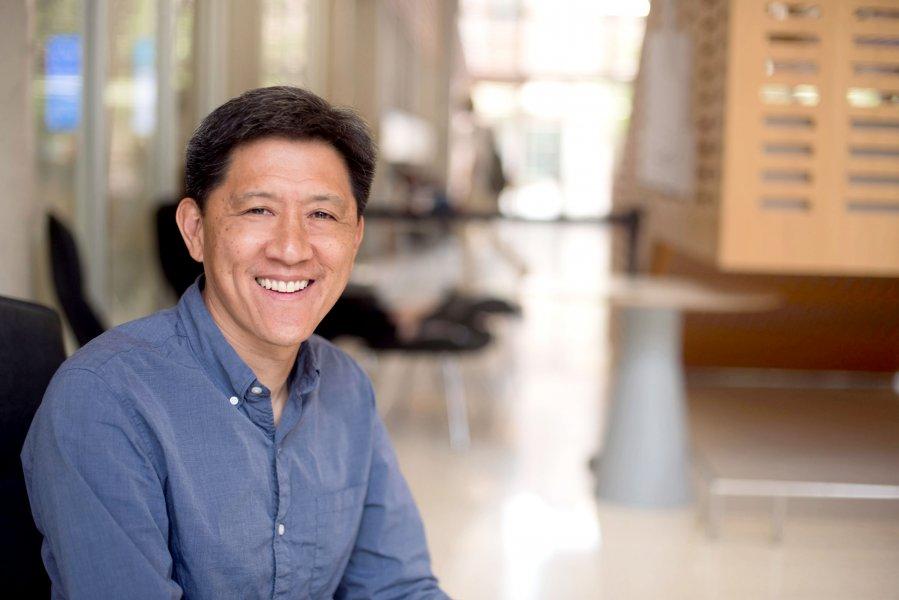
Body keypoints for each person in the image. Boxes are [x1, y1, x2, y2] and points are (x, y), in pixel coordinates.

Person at [22, 86, 449, 599]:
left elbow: (397, 588)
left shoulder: (346, 386)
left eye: (322, 215)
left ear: (355, 236)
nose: (291, 249)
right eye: (258, 211)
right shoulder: (105, 400)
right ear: (195, 230)